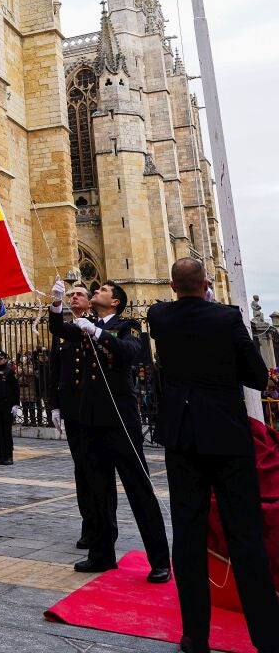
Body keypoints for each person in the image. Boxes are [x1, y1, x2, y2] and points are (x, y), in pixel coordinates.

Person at [148, 258, 279, 653]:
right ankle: (268, 638)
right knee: (245, 537)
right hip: (226, 437)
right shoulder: (227, 318)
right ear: (207, 283)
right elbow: (256, 376)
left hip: (183, 438)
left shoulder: (160, 318)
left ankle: (194, 637)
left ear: (172, 286)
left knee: (188, 535)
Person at [50, 279, 170, 582]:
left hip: (120, 419)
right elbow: (59, 331)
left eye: (102, 290)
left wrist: (99, 332)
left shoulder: (127, 325)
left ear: (115, 301)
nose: (96, 291)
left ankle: (160, 559)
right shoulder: (83, 325)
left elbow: (130, 351)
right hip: (90, 419)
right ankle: (102, 555)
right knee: (98, 488)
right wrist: (55, 305)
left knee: (138, 487)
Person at [49, 283, 117, 551]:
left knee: (99, 469)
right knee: (81, 470)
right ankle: (89, 525)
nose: (73, 297)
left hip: (94, 409)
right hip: (73, 410)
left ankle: (106, 526)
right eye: (70, 295)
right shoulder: (67, 329)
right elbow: (56, 372)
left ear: (90, 302)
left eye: (79, 294)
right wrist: (54, 406)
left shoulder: (96, 327)